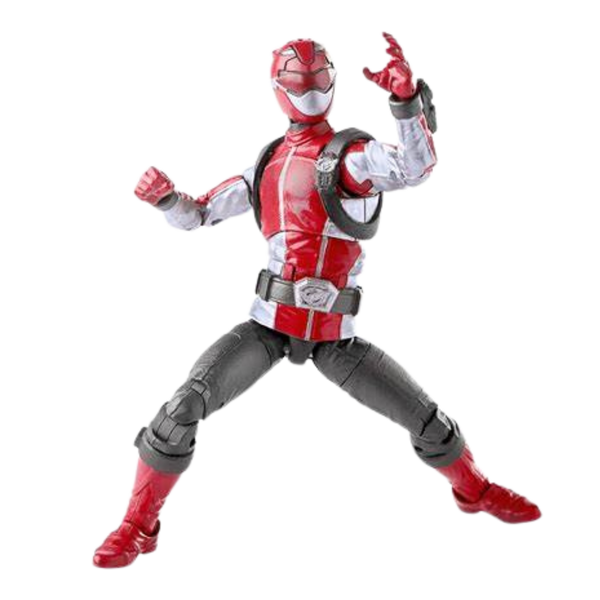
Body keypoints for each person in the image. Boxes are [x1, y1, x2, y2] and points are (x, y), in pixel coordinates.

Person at [89, 29, 544, 572]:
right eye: (297, 82)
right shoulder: (265, 164)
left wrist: (404, 102)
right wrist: (165, 199)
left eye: (319, 79)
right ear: (276, 89)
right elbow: (200, 214)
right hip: (267, 325)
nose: (309, 90)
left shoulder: (350, 157)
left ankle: (475, 490)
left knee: (425, 420)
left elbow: (414, 167)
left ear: (333, 83)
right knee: (180, 411)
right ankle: (137, 525)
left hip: (335, 335)